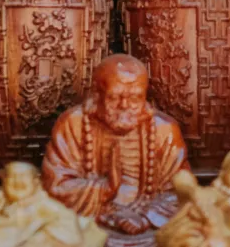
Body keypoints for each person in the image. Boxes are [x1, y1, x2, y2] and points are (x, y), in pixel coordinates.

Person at [42, 55, 190, 244]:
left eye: (135, 97)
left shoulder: (164, 129)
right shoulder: (73, 124)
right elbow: (55, 187)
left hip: (149, 227)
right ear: (97, 94)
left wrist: (145, 218)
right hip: (89, 223)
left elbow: (182, 191)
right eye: (114, 96)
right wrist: (105, 188)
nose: (124, 106)